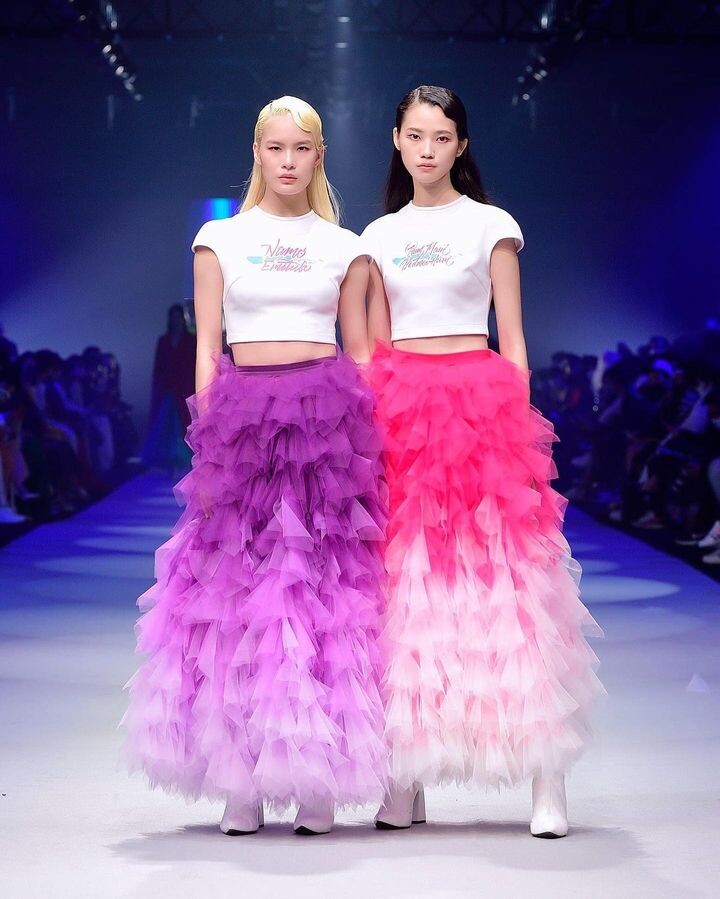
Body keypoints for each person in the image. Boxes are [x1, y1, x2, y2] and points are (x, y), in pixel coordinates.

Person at [122, 96, 388, 836]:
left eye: (301, 148)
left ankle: (315, 780)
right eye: (276, 147)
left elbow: (360, 351)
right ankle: (240, 779)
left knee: (320, 591)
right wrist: (206, 439)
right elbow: (207, 346)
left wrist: (372, 440)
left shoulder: (345, 246)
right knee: (236, 588)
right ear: (257, 152)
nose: (288, 161)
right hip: (242, 423)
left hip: (326, 423)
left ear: (319, 155)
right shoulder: (219, 238)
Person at [363, 85, 605, 838]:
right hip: (404, 410)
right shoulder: (377, 235)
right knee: (408, 590)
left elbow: (515, 338)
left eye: (442, 137)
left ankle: (546, 778)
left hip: (480, 403)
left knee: (508, 584)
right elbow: (377, 345)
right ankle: (405, 777)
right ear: (397, 141)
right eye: (415, 135)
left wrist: (519, 433)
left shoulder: (492, 224)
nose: (428, 149)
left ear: (461, 145)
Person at [142, 304, 196, 473]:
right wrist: (158, 386)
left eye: (178, 317)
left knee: (184, 423)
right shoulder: (164, 341)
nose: (176, 320)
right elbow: (158, 366)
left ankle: (185, 460)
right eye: (173, 317)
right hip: (168, 389)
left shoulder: (191, 340)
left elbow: (193, 365)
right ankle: (170, 462)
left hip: (185, 387)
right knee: (167, 425)